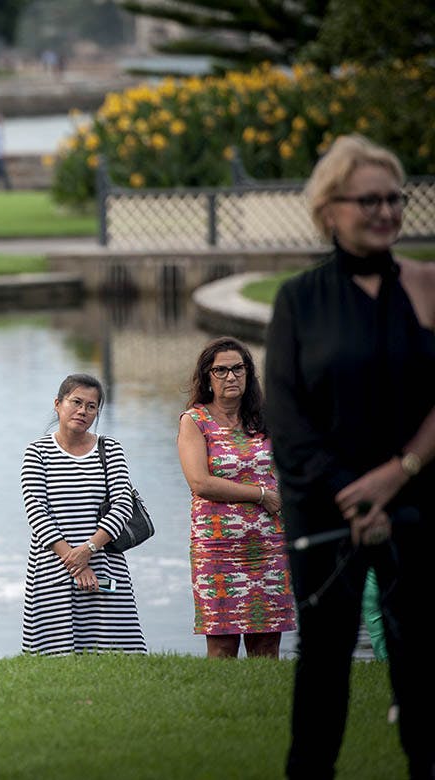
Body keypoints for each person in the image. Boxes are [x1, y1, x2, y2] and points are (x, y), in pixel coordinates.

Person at [265, 134, 434, 779]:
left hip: (420, 503)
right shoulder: (298, 300)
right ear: (330, 208)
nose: (386, 212)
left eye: (396, 198)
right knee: (325, 664)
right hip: (325, 514)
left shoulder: (426, 285)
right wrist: (351, 493)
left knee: (423, 663)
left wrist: (397, 477)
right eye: (370, 200)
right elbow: (286, 418)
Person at [177, 337, 295, 659]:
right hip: (218, 549)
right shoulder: (195, 421)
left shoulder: (263, 418)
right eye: (221, 370)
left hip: (269, 544)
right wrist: (260, 495)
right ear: (207, 377)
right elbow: (200, 482)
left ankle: (261, 705)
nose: (231, 377)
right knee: (222, 643)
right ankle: (220, 704)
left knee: (268, 642)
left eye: (238, 369)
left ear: (248, 373)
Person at [20, 373, 146, 656]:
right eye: (76, 402)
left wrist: (88, 550)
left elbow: (122, 505)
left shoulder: (109, 448)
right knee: (56, 657)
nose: (83, 411)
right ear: (58, 404)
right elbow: (37, 511)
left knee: (118, 655)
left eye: (91, 406)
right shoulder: (37, 452)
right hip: (52, 566)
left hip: (105, 562)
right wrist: (75, 562)